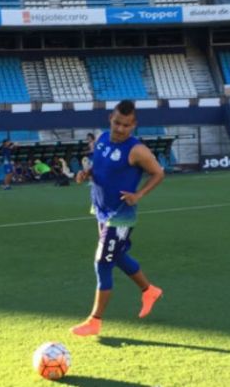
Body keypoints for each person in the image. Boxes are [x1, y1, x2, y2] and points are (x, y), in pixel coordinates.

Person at [70, 100, 166, 337]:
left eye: (126, 125)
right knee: (117, 255)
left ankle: (95, 320)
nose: (120, 129)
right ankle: (149, 290)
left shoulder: (137, 150)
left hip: (120, 215)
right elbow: (99, 167)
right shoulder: (102, 139)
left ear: (134, 125)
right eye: (117, 123)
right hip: (101, 209)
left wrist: (139, 194)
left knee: (102, 262)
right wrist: (86, 174)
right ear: (110, 120)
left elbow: (158, 173)